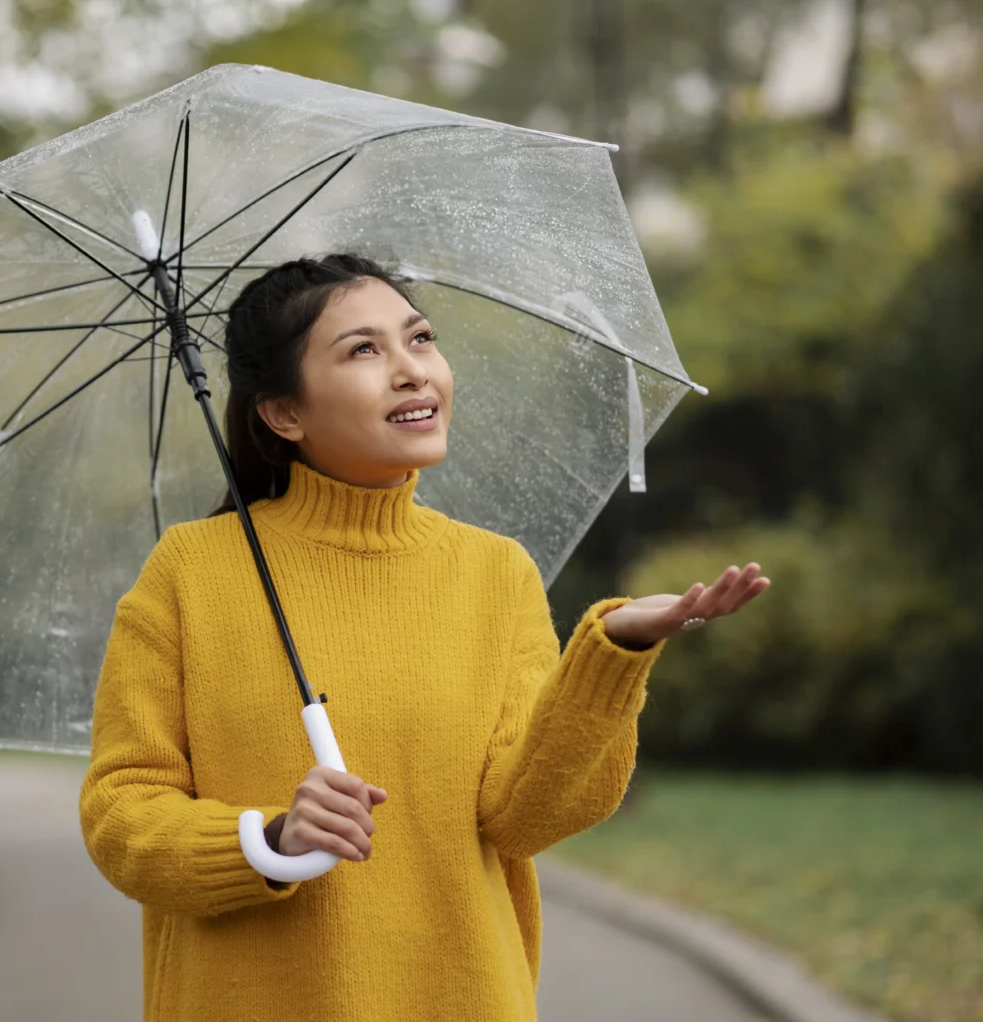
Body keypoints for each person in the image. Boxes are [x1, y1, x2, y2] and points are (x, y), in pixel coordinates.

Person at [79, 254, 769, 1021]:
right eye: (363, 350)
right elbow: (121, 814)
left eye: (420, 338)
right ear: (283, 413)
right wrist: (268, 838)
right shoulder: (191, 571)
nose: (412, 371)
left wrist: (614, 652)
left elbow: (526, 816)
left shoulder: (495, 573)